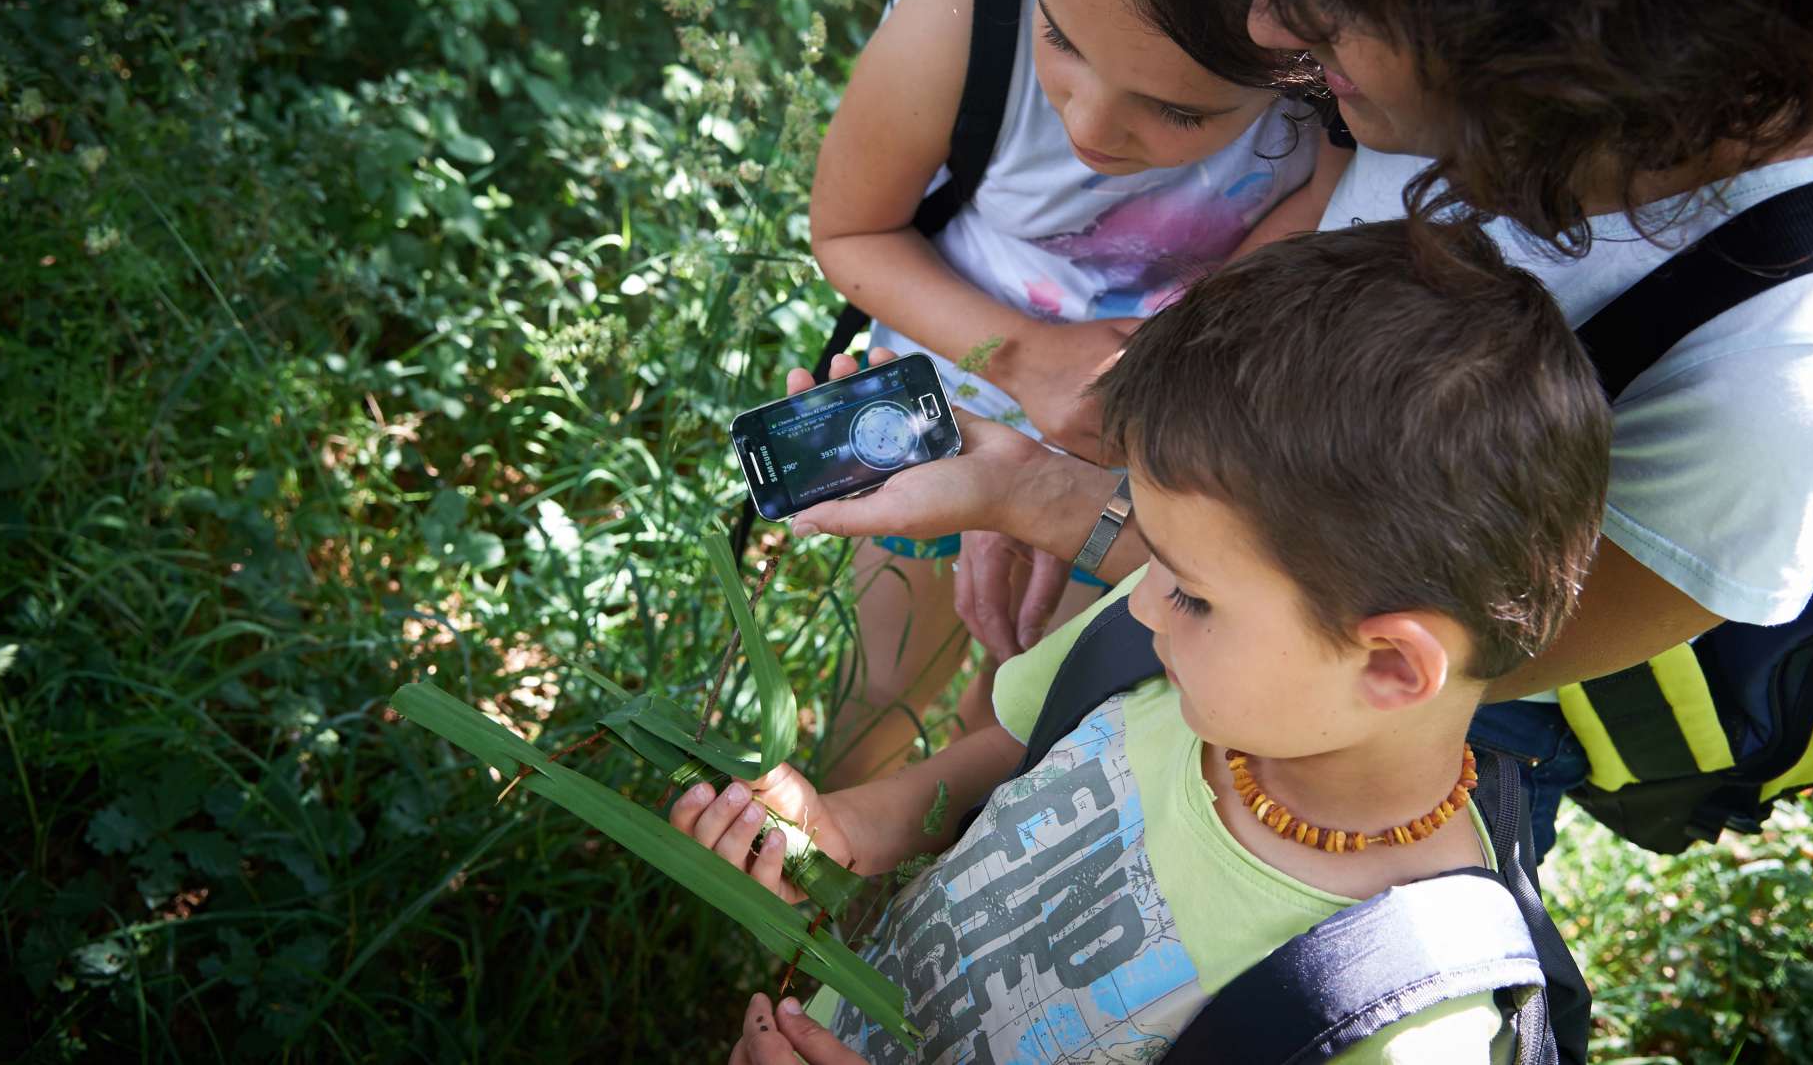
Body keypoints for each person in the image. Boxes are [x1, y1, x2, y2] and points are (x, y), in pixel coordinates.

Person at [794, 0, 1813, 858]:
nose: (1265, 29)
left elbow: (1393, 670)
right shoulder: (1419, 75)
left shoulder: (1778, 389)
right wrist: (1050, 481)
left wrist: (1073, 511)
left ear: (1553, 11)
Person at [681, 219, 1613, 1062]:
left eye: (1195, 594)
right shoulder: (1175, 667)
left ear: (1392, 667)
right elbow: (1017, 755)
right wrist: (857, 824)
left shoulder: (1400, 1025)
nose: (1141, 602)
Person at [808, 0, 1347, 787]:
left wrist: (1139, 395)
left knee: (1017, 715)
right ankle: (811, 888)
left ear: (1307, 72)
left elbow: (1299, 233)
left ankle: (918, 910)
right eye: (1060, 40)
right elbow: (848, 231)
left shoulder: (1344, 107)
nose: (1090, 125)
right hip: (924, 377)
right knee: (878, 682)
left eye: (1175, 113)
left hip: (1131, 438)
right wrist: (1022, 360)